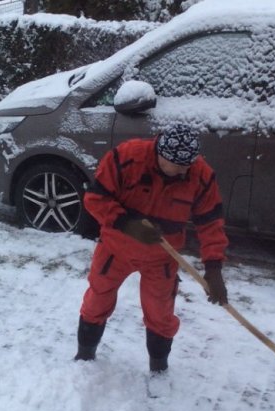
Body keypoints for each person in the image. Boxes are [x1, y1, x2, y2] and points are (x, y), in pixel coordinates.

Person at [74, 124, 228, 374]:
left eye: (188, 165)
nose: (183, 172)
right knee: (97, 299)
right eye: (178, 166)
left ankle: (158, 369)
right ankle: (84, 355)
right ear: (160, 154)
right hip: (115, 249)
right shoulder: (126, 158)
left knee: (160, 313)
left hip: (161, 258)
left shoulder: (198, 174)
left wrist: (214, 267)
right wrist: (127, 223)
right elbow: (94, 199)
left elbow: (211, 223)